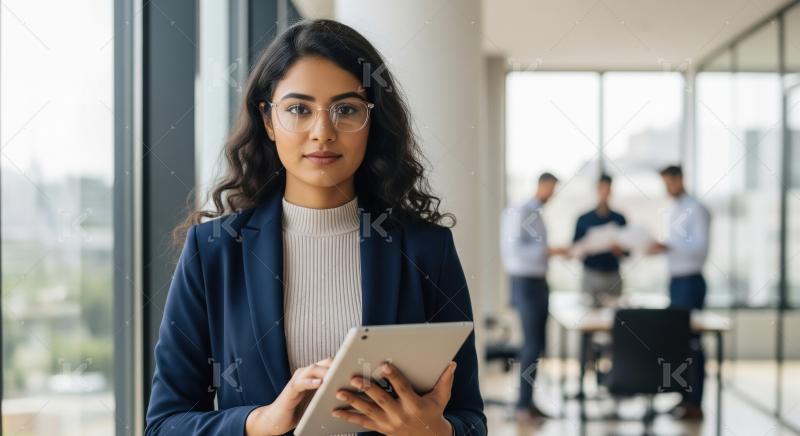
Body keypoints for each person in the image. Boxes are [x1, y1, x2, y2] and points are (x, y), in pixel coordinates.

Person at [145, 19, 486, 436]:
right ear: (268, 121)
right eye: (298, 109)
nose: (322, 133)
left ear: (371, 121)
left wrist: (433, 431)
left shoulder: (425, 249)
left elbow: (470, 420)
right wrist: (259, 421)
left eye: (346, 109)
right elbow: (165, 424)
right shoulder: (214, 251)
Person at [500, 172, 566, 423]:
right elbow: (514, 250)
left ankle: (529, 403)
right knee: (530, 345)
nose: (553, 194)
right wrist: (548, 251)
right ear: (542, 185)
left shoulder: (536, 213)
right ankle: (522, 407)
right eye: (552, 188)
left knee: (537, 345)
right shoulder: (520, 211)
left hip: (539, 282)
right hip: (525, 283)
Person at [648, 165, 711, 420]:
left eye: (668, 183)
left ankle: (695, 403)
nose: (666, 189)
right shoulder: (674, 208)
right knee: (679, 343)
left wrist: (668, 246)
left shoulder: (696, 208)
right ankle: (684, 398)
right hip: (675, 282)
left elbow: (699, 249)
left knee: (692, 344)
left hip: (690, 282)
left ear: (680, 179)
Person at [573, 174, 627, 307]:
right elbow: (574, 249)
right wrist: (588, 247)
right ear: (596, 190)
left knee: (614, 319)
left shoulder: (620, 219)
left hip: (613, 276)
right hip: (591, 275)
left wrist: (621, 250)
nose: (604, 193)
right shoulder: (583, 219)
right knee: (588, 319)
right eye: (601, 189)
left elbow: (628, 251)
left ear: (611, 191)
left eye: (607, 189)